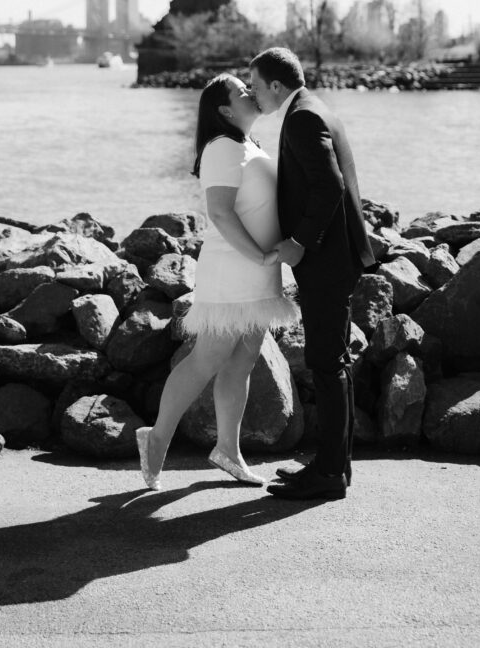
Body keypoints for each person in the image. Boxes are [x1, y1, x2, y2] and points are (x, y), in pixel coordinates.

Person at [136, 73, 297, 491]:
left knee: (243, 360)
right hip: (233, 268)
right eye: (242, 92)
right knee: (207, 358)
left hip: (259, 269)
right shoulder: (222, 147)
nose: (251, 93)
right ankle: (156, 438)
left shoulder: (248, 145)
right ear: (225, 110)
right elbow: (221, 213)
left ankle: (228, 450)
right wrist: (260, 255)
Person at [249, 47, 374, 501]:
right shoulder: (315, 107)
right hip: (338, 256)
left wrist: (299, 243)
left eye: (256, 85)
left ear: (277, 86)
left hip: (327, 260)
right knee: (333, 362)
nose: (252, 93)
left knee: (326, 364)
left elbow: (329, 186)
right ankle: (334, 468)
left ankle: (328, 475)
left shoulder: (302, 118)